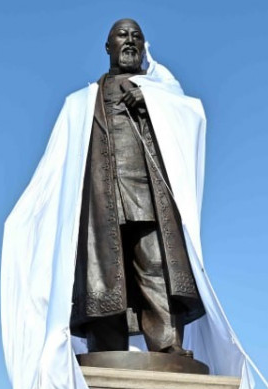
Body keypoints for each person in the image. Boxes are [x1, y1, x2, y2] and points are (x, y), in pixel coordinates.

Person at [70, 17, 204, 356]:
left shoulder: (161, 90)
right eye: (121, 35)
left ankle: (166, 344)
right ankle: (106, 347)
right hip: (102, 197)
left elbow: (189, 119)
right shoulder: (87, 99)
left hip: (147, 193)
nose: (130, 41)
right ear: (108, 47)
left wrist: (151, 104)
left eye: (136, 36)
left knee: (156, 265)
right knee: (103, 273)